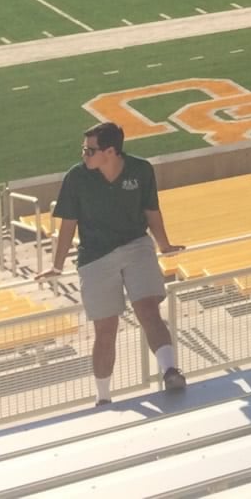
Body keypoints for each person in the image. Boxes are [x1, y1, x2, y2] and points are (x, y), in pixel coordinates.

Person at [44, 123, 187, 402]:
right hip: (95, 256)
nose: (84, 155)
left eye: (90, 150)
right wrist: (57, 265)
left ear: (110, 151)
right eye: (84, 149)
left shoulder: (141, 170)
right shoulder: (76, 177)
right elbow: (68, 224)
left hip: (136, 246)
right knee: (106, 328)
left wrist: (164, 245)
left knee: (148, 310)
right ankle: (103, 397)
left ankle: (170, 371)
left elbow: (152, 211)